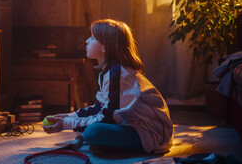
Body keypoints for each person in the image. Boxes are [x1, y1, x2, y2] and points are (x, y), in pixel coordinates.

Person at [43, 19, 173, 154]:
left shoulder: (119, 74)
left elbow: (107, 118)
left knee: (92, 132)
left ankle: (112, 145)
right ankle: (110, 145)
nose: (87, 41)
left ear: (105, 46)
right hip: (133, 126)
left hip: (152, 135)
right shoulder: (108, 72)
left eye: (92, 38)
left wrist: (66, 124)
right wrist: (69, 116)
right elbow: (100, 107)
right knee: (92, 131)